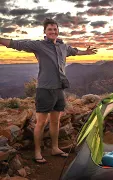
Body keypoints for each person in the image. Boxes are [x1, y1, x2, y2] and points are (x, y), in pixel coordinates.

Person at [0, 18, 97, 163]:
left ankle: (55, 148)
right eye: (50, 29)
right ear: (45, 32)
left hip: (59, 90)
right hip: (45, 89)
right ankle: (37, 152)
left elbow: (75, 51)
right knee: (41, 122)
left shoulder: (63, 47)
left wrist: (87, 52)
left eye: (55, 29)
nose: (53, 31)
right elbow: (16, 44)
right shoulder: (38, 45)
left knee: (55, 121)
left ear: (58, 31)